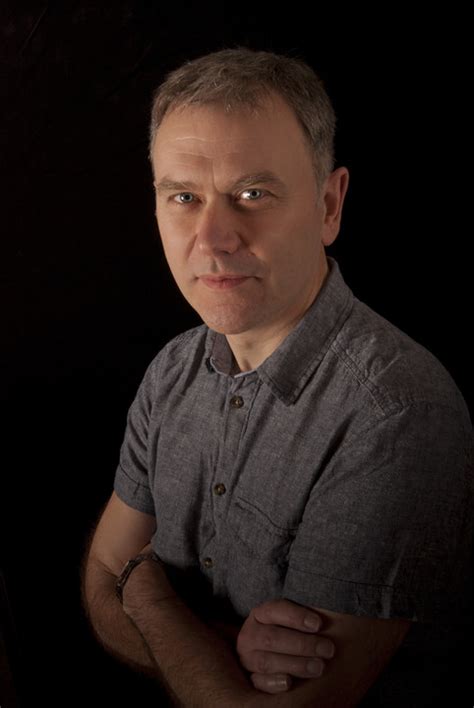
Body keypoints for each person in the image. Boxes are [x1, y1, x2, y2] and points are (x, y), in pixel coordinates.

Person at [82, 47, 473, 707]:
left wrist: (144, 592)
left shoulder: (396, 412)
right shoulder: (172, 370)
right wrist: (218, 649)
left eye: (252, 194)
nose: (212, 237)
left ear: (328, 205)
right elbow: (98, 576)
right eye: (184, 197)